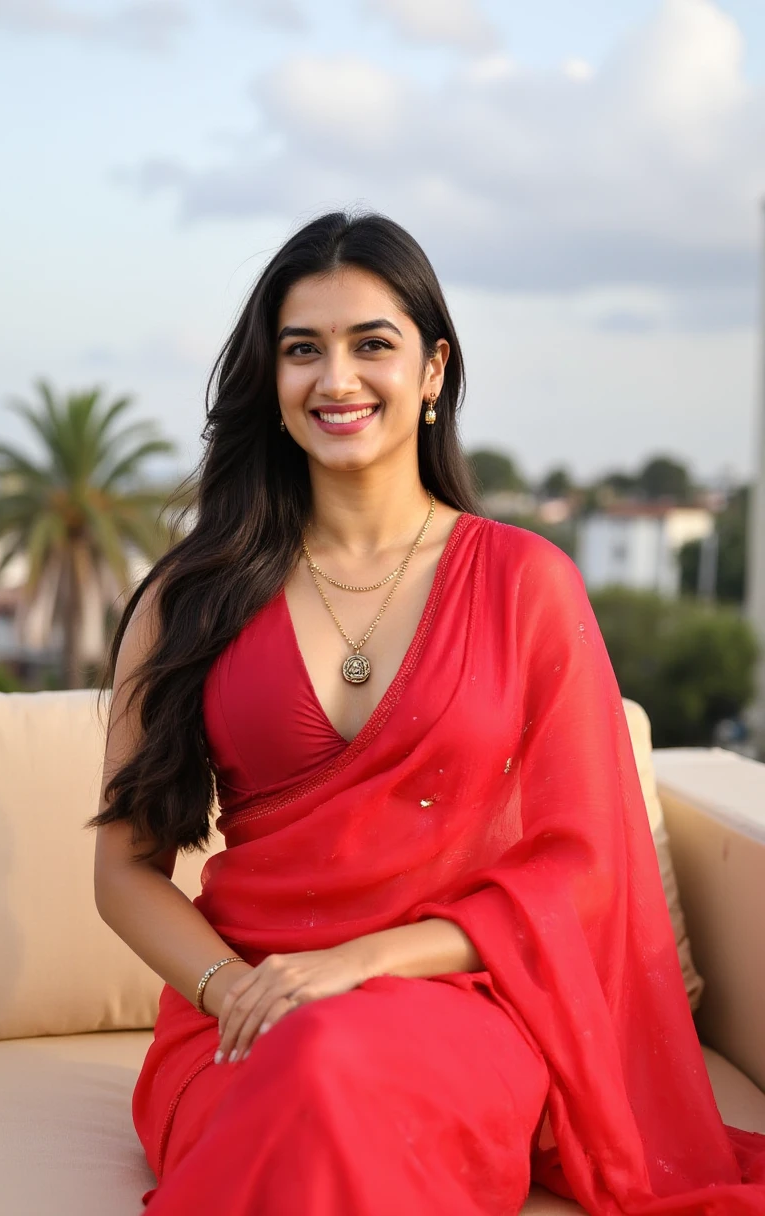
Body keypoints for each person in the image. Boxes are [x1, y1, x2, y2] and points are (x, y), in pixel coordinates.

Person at [88, 210, 765, 1215]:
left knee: (333, 1063)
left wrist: (357, 964)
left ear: (434, 369)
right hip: (241, 1016)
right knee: (310, 1063)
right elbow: (121, 872)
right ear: (270, 383)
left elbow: (581, 867)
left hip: (455, 1008)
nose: (336, 379)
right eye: (301, 349)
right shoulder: (188, 599)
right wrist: (238, 992)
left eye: (373, 345)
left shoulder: (526, 582)